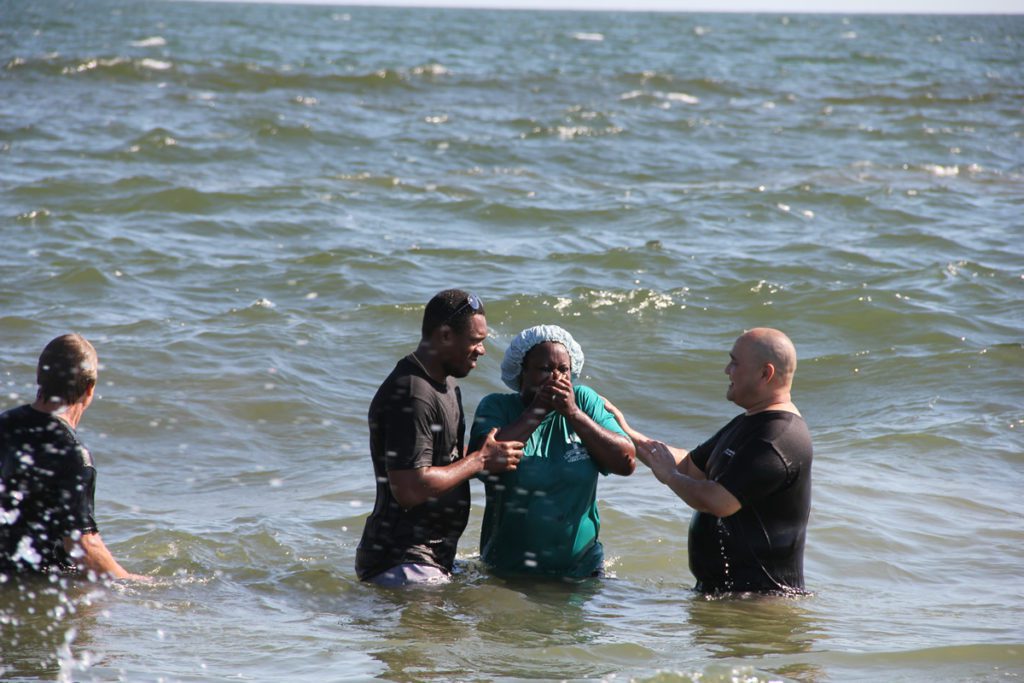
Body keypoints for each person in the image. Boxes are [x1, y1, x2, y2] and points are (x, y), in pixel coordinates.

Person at [605, 328, 812, 594]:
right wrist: (626, 432)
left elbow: (719, 501)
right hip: (725, 598)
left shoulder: (778, 438)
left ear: (765, 373)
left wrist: (671, 477)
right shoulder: (749, 422)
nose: (727, 370)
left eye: (735, 362)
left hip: (762, 605)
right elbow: (689, 466)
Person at [355, 290, 525, 586]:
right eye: (476, 341)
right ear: (445, 335)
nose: (482, 350)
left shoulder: (446, 385)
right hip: (401, 560)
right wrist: (480, 459)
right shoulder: (413, 393)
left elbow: (450, 465)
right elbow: (409, 489)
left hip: (429, 559)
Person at [468, 325, 635, 579]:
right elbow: (481, 460)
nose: (556, 378)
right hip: (507, 572)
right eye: (545, 369)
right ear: (521, 373)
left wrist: (574, 414)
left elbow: (626, 462)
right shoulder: (497, 407)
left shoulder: (583, 401)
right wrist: (537, 410)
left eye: (563, 370)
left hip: (582, 571)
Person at [0, 334, 148, 581]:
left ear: (40, 377)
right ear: (89, 389)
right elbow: (83, 546)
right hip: (38, 583)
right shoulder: (73, 454)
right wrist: (136, 582)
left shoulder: (4, 425)